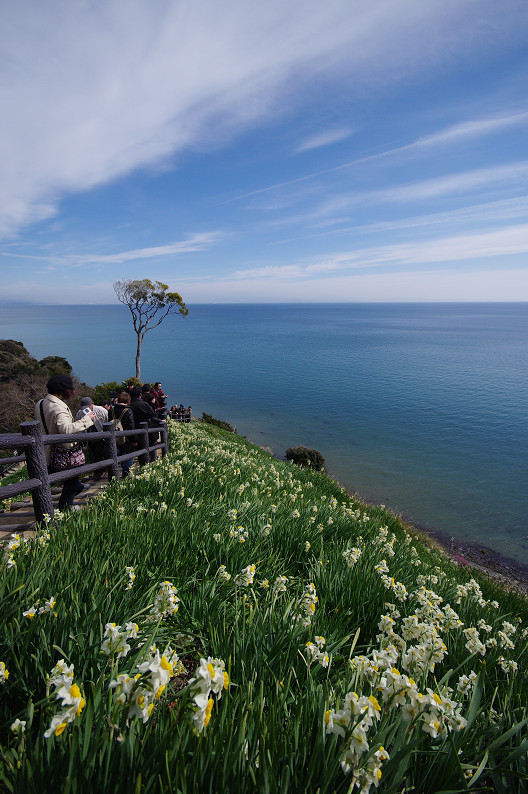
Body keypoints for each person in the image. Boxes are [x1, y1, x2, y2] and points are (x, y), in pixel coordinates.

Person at [35, 374, 95, 511]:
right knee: (71, 483)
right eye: (70, 389)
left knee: (71, 481)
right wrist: (87, 419)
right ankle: (64, 511)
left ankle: (77, 488)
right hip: (63, 452)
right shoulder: (58, 407)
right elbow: (66, 430)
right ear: (62, 390)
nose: (72, 392)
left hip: (46, 451)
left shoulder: (40, 404)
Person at [76, 397, 107, 479]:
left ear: (92, 403)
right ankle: (97, 472)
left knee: (100, 455)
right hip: (89, 437)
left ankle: (101, 471)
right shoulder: (80, 413)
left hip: (101, 436)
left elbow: (107, 421)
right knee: (92, 455)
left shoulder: (101, 410)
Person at [108, 391, 136, 478]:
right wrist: (134, 440)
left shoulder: (111, 410)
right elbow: (131, 427)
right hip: (126, 438)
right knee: (128, 455)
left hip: (114, 437)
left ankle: (114, 476)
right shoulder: (128, 411)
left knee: (116, 456)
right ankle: (125, 475)